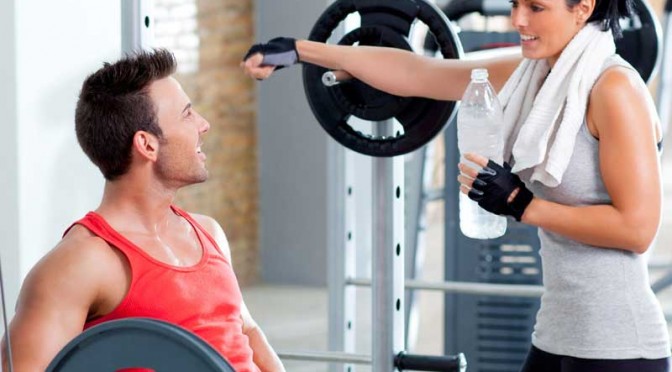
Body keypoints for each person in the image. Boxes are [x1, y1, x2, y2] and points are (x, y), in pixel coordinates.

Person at [241, 0, 670, 370]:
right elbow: (419, 73)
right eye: (516, 4)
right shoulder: (534, 74)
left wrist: (522, 204)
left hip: (619, 344)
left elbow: (636, 229)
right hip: (558, 332)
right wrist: (300, 51)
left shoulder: (613, 89)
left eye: (536, 8)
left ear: (584, 7)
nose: (518, 20)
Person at [2, 49, 285, 372]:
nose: (203, 125)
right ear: (147, 145)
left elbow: (246, 330)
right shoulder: (79, 264)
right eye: (188, 114)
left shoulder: (208, 232)